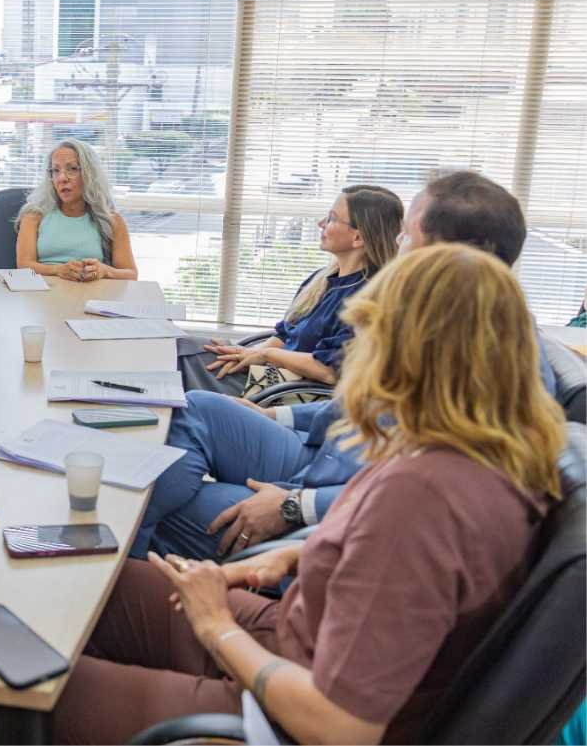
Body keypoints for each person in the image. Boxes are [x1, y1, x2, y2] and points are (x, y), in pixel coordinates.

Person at [53, 243, 566, 744]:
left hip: (279, 712)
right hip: (298, 633)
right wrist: (300, 556)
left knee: (40, 689)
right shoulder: (489, 455)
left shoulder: (424, 498)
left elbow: (342, 728)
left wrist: (214, 625)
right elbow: (405, 574)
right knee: (94, 590)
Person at [139, 169, 552, 560]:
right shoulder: (437, 318)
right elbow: (362, 402)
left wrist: (294, 505)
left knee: (155, 511)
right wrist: (276, 414)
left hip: (336, 501)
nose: (397, 248)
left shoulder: (494, 356)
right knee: (197, 408)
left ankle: (122, 588)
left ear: (442, 256)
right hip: (324, 455)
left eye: (406, 237)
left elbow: (417, 494)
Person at [178, 185, 402, 395]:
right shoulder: (321, 279)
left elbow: (329, 370)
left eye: (332, 219)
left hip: (291, 388)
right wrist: (247, 354)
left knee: (183, 360)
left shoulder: (367, 299)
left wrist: (266, 354)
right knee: (184, 346)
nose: (321, 223)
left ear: (358, 237)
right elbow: (286, 334)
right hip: (270, 370)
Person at [15, 139, 137, 282]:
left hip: (91, 296)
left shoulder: (111, 220)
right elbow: (23, 266)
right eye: (55, 170)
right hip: (43, 295)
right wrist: (57, 270)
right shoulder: (34, 215)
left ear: (89, 174)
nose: (62, 178)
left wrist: (105, 271)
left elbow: (131, 275)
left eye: (72, 169)